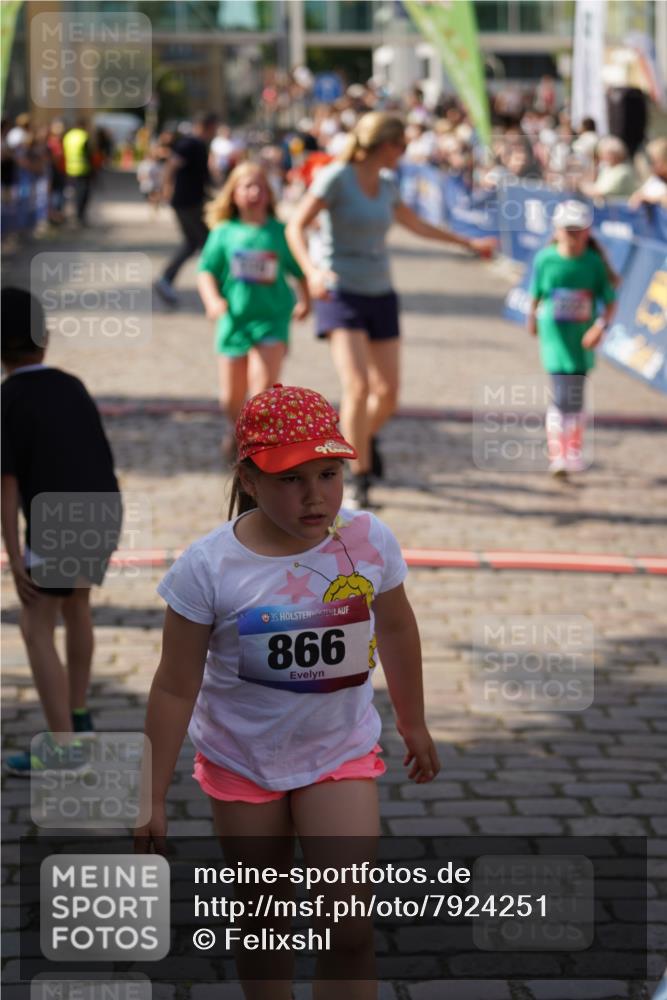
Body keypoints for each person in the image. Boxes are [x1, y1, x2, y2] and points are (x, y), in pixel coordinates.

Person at [135, 384, 440, 997]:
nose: (315, 496)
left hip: (339, 754)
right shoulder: (207, 567)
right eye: (291, 479)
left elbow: (400, 627)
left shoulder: (367, 540)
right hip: (241, 762)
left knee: (349, 928)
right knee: (266, 924)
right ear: (249, 480)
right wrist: (149, 794)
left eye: (329, 473)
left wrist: (414, 721)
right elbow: (173, 687)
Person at [285, 111, 495, 508]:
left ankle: (358, 438)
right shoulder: (336, 177)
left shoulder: (386, 183)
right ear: (386, 145)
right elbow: (294, 226)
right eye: (401, 146)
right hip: (340, 292)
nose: (404, 153)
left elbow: (417, 225)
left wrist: (469, 244)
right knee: (358, 387)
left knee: (389, 394)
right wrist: (311, 272)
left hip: (380, 292)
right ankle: (358, 479)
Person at [1, 288, 122, 774]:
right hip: (102, 511)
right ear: (45, 338)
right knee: (77, 605)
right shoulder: (73, 384)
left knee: (35, 626)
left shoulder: (8, 399)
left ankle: (64, 746)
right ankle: (78, 714)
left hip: (54, 522)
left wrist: (13, 555)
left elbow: (6, 487)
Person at [196, 163, 311, 463]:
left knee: (261, 393)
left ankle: (252, 448)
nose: (255, 192)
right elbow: (206, 272)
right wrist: (212, 301)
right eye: (247, 186)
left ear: (269, 193)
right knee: (230, 398)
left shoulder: (280, 232)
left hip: (271, 319)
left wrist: (306, 300)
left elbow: (299, 271)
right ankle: (236, 431)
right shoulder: (224, 233)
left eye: (260, 186)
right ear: (233, 194)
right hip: (234, 320)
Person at [527, 201, 618, 477]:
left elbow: (609, 301)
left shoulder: (593, 263)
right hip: (555, 337)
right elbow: (536, 292)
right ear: (557, 231)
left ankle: (573, 449)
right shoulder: (545, 259)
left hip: (581, 339)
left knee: (576, 397)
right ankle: (558, 454)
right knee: (562, 393)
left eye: (579, 231)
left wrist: (599, 327)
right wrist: (531, 318)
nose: (573, 236)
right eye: (568, 230)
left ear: (588, 232)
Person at [154, 111, 219, 305]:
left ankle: (166, 279)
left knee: (193, 242)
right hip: (188, 202)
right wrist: (165, 189)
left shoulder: (197, 145)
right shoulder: (190, 144)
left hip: (191, 201)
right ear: (207, 127)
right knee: (209, 243)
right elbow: (171, 166)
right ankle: (218, 287)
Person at [63, 117, 93, 225]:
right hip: (83, 169)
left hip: (69, 169)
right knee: (83, 193)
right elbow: (89, 154)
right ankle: (80, 215)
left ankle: (73, 214)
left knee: (72, 192)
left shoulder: (68, 136)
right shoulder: (83, 136)